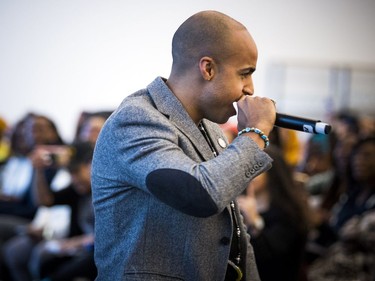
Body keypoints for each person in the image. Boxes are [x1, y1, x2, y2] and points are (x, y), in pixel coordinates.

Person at [92, 10, 276, 281]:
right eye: (245, 74)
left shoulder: (209, 126)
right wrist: (255, 133)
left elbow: (233, 230)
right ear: (208, 68)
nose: (250, 89)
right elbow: (198, 193)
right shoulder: (136, 120)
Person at [3, 141, 96, 281]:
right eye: (70, 173)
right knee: (40, 258)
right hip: (78, 249)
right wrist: (38, 170)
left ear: (91, 166)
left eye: (76, 171)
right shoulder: (77, 190)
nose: (74, 179)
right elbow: (45, 201)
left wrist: (74, 243)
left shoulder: (104, 191)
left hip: (96, 251)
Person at [237, 146, 312, 281]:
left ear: (272, 171)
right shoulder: (239, 202)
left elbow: (272, 257)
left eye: (256, 167)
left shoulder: (289, 211)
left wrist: (254, 221)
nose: (250, 173)